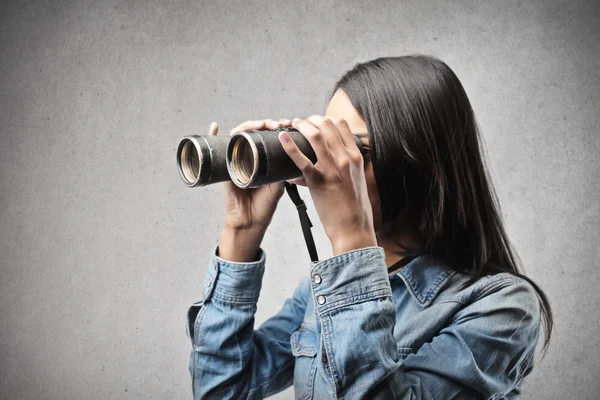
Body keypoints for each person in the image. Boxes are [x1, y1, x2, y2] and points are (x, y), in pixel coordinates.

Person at [185, 55, 553, 399]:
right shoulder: (320, 292)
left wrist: (350, 239)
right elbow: (222, 391)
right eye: (328, 146)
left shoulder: (503, 308)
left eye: (354, 151)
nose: (335, 168)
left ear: (420, 163)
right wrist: (241, 231)